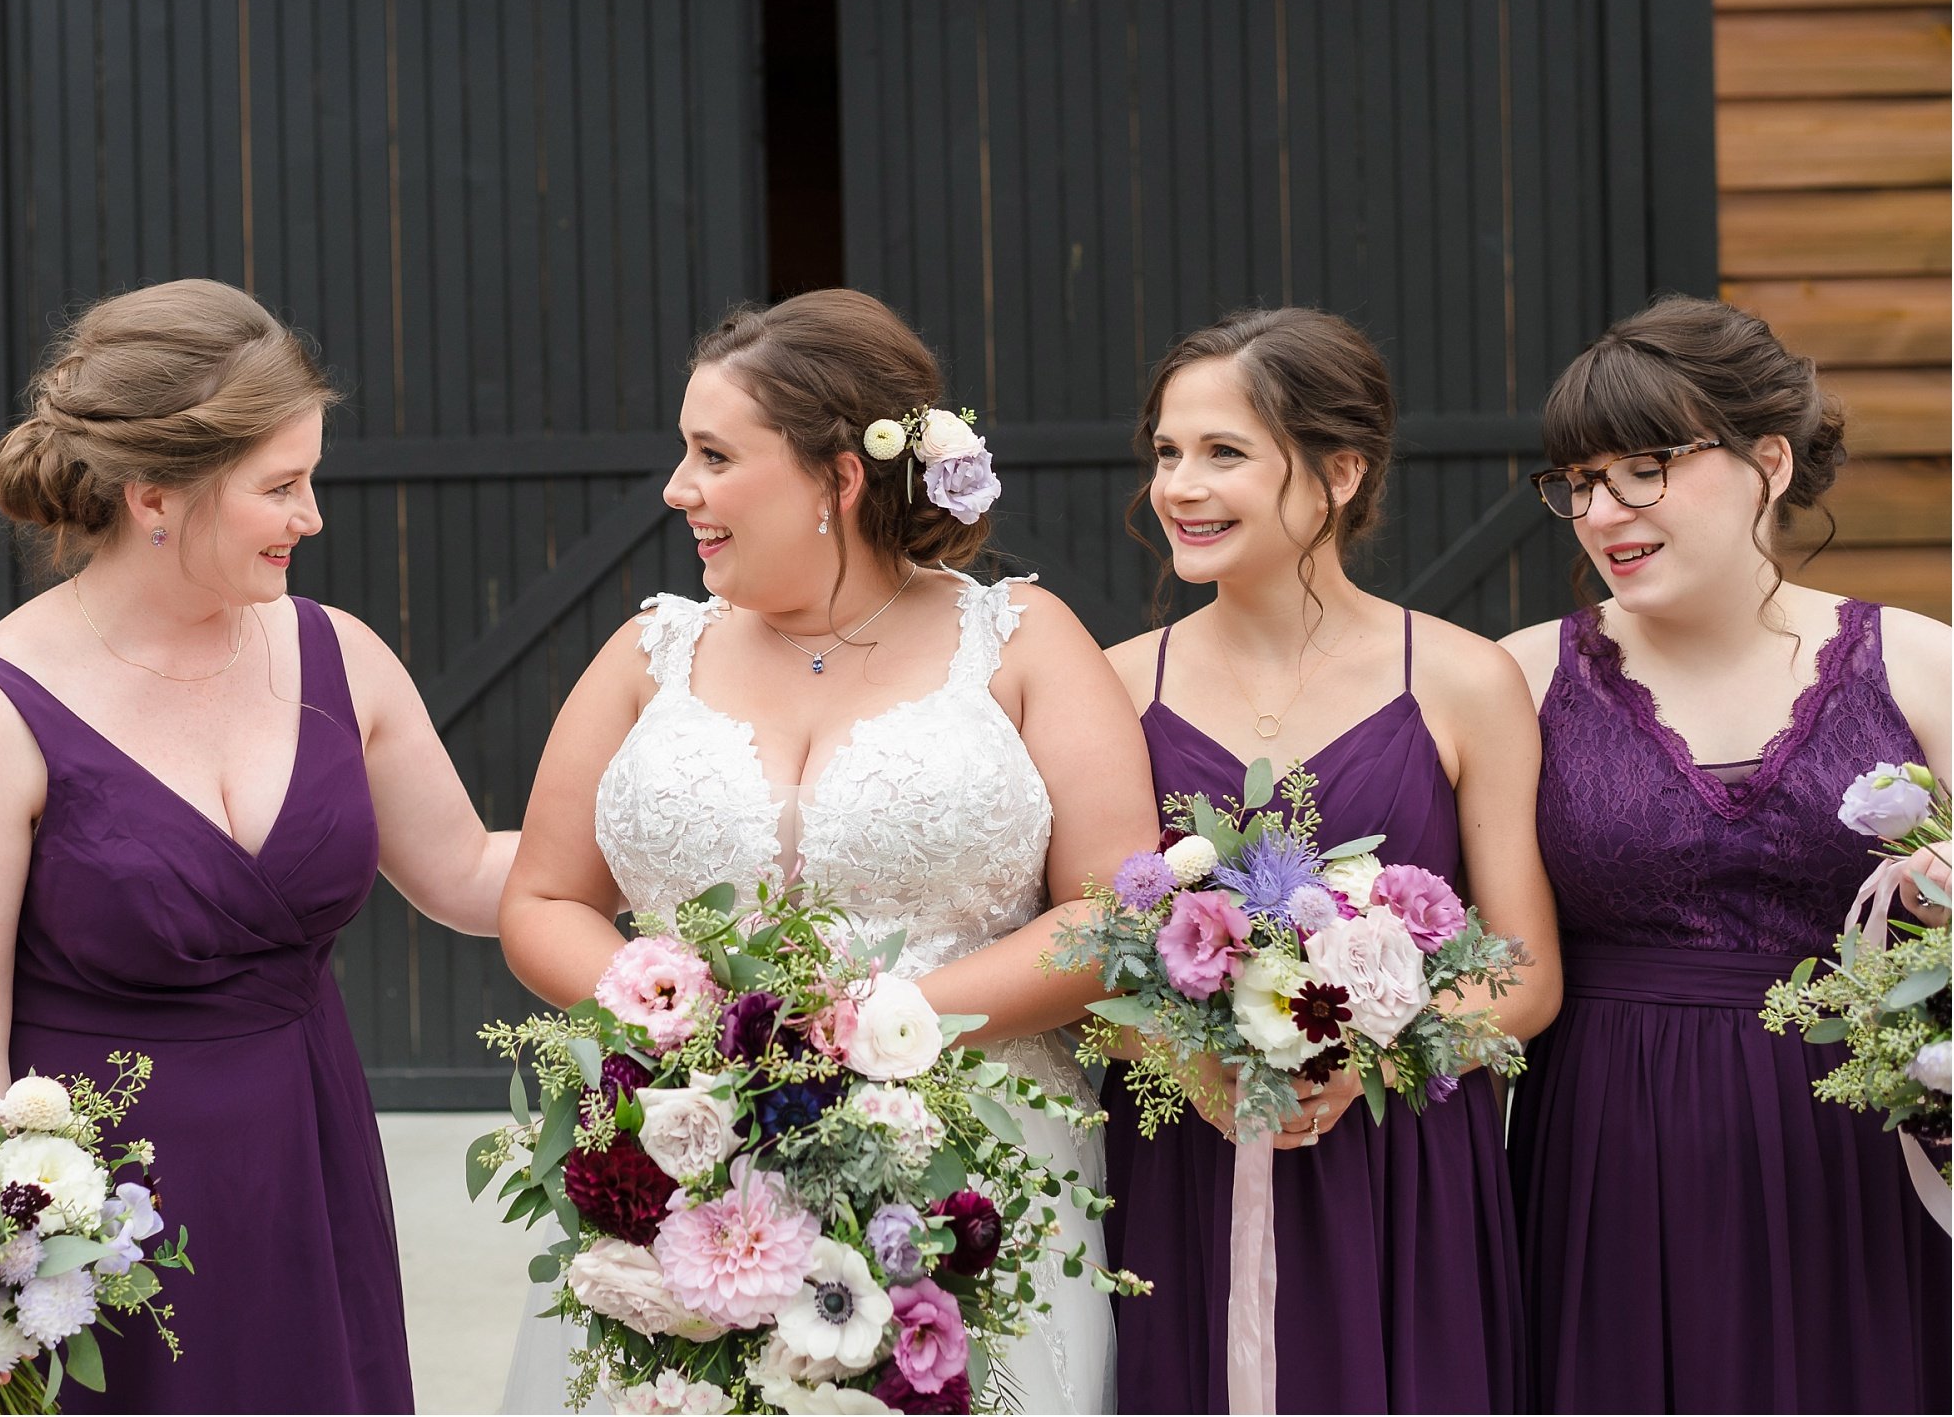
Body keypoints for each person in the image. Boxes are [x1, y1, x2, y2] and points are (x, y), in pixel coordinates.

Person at [497, 289, 1153, 1412]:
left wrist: (878, 1032)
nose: (677, 488)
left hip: (969, 1169)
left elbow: (1111, 913)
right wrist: (686, 1026)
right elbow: (544, 898)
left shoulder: (1020, 643)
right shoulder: (647, 652)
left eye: (712, 454)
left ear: (837, 479)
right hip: (688, 1154)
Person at [0, 279, 515, 1412]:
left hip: (311, 1158)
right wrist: (2, 1253)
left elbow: (470, 874)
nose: (311, 516)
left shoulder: (341, 654)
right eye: (281, 487)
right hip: (105, 1212)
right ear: (154, 497)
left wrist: (676, 839)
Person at [1100, 307, 1559, 1413]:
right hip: (1184, 1160)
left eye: (1222, 453)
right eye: (1167, 452)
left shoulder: (1462, 680)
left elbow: (1529, 970)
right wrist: (1191, 1066)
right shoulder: (1111, 688)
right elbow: (1082, 958)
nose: (1180, 486)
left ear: (1339, 471)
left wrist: (1371, 1058)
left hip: (1403, 1163)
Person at [1498, 296, 1950, 1413]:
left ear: (1767, 460)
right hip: (1607, 1155)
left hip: (1862, 1154)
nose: (1602, 510)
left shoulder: (1920, 665)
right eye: (1577, 482)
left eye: (1642, 467)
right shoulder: (1510, 681)